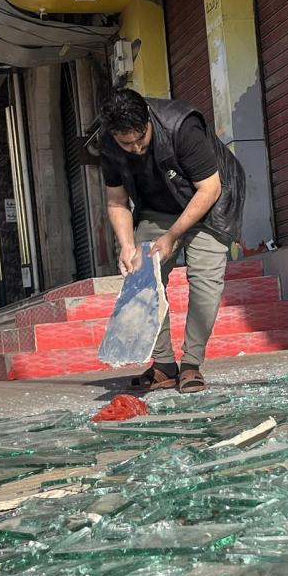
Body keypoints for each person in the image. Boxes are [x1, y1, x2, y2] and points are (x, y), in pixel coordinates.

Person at [97, 88, 246, 393]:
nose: (136, 148)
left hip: (211, 204)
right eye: (127, 143)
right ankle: (164, 365)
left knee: (205, 280)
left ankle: (191, 364)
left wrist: (172, 236)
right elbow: (116, 201)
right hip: (158, 208)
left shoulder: (181, 125)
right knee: (141, 275)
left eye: (141, 138)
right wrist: (127, 244)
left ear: (149, 120)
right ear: (114, 135)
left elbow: (209, 189)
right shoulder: (108, 145)